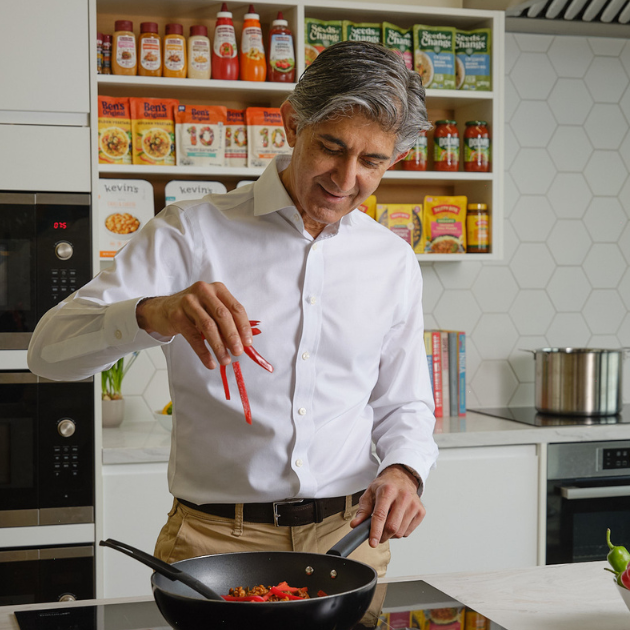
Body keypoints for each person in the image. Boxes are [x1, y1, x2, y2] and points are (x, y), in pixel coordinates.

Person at [27, 40, 438, 627]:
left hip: (348, 542)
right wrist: (152, 314)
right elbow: (47, 352)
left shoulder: (392, 261)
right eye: (332, 147)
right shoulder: (190, 233)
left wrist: (404, 469)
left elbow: (405, 402)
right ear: (293, 122)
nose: (347, 180)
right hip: (215, 545)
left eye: (372, 161)